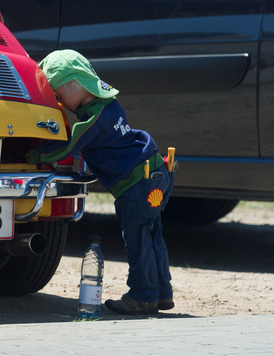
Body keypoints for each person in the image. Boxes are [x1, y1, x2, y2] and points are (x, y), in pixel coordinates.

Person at [31, 49, 175, 315]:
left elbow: (67, 146)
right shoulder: (109, 105)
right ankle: (161, 294)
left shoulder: (94, 118)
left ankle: (142, 295)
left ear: (76, 85)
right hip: (154, 174)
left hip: (136, 184)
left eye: (59, 96)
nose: (59, 102)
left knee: (137, 238)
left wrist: (32, 152)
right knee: (151, 234)